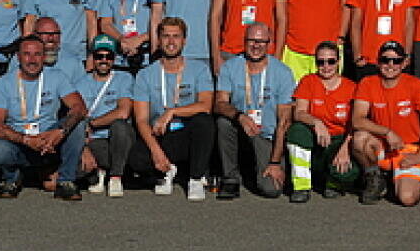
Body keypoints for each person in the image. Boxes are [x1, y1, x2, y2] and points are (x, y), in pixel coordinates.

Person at [0, 34, 89, 201]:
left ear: (44, 56)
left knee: (78, 125)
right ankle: (11, 178)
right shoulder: (4, 83)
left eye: (37, 54)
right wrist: (26, 140)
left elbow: (80, 108)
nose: (32, 60)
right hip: (19, 141)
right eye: (27, 54)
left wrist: (60, 132)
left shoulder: (57, 76)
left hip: (50, 140)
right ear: (18, 57)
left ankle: (66, 181)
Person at [131, 17, 217, 199]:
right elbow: (141, 119)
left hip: (187, 132)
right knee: (136, 159)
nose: (171, 42)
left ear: (184, 40)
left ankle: (195, 178)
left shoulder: (199, 69)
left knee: (204, 121)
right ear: (159, 39)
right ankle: (166, 171)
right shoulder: (145, 74)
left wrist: (171, 112)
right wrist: (156, 152)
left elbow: (206, 105)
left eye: (176, 36)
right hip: (161, 134)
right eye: (166, 36)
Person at [350, 40, 420, 207]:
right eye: (385, 60)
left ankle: (404, 179)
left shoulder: (415, 84)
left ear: (404, 63)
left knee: (407, 198)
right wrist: (387, 132)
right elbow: (357, 120)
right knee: (360, 138)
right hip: (382, 145)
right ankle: (375, 178)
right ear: (378, 62)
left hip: (408, 149)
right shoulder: (367, 83)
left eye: (396, 61)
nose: (390, 65)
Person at [214, 22, 296, 201]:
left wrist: (275, 162)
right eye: (251, 40)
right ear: (244, 42)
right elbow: (219, 103)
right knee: (223, 122)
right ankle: (230, 177)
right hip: (240, 127)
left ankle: (263, 166)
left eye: (261, 41)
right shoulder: (230, 67)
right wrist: (240, 116)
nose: (256, 46)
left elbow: (284, 122)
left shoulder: (282, 72)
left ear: (269, 44)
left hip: (267, 135)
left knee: (271, 189)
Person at [285, 40, 362, 201]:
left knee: (348, 172)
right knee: (297, 131)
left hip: (339, 140)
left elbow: (357, 123)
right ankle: (301, 186)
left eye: (331, 61)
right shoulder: (308, 81)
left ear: (338, 62)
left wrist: (345, 148)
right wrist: (317, 123)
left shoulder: (352, 87)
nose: (326, 66)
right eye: (321, 62)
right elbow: (299, 113)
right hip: (314, 139)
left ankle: (333, 183)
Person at [76, 34, 135, 197]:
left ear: (114, 58)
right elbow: (77, 115)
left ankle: (115, 177)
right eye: (99, 56)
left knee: (120, 125)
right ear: (92, 58)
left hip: (118, 139)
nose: (104, 60)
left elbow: (123, 112)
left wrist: (93, 123)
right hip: (95, 141)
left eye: (108, 56)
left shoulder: (124, 78)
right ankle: (98, 173)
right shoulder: (81, 83)